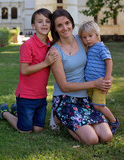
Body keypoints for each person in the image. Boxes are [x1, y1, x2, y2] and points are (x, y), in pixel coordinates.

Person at [48, 9, 113, 145]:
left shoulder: (82, 39)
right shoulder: (55, 51)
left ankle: (66, 120)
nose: (65, 27)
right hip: (65, 99)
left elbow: (101, 57)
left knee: (107, 136)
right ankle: (57, 116)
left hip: (84, 97)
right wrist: (95, 84)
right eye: (60, 25)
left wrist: (108, 78)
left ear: (72, 23)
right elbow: (64, 86)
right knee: (91, 139)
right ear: (55, 29)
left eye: (67, 23)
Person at [0, 8, 59, 133]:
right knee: (25, 130)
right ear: (33, 26)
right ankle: (5, 112)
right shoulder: (28, 45)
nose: (44, 24)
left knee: (38, 129)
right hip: (26, 95)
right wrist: (45, 63)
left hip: (41, 95)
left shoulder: (50, 45)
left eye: (47, 21)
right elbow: (24, 70)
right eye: (40, 22)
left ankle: (17, 110)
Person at [79, 21, 119, 134]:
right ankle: (98, 120)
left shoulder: (101, 47)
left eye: (90, 36)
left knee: (98, 105)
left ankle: (113, 121)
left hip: (100, 83)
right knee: (92, 103)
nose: (87, 39)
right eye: (84, 37)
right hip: (90, 83)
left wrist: (107, 79)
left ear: (97, 34)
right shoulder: (89, 48)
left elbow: (109, 62)